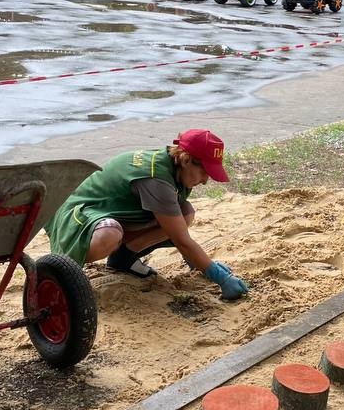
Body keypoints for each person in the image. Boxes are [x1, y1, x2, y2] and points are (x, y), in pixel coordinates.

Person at [46, 129, 249, 301]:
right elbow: (182, 240)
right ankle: (68, 270)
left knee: (185, 213)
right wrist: (217, 275)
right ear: (187, 159)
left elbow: (176, 226)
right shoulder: (157, 179)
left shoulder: (175, 166)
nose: (205, 181)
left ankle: (123, 258)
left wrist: (199, 262)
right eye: (205, 172)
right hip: (77, 215)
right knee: (109, 234)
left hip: (116, 212)